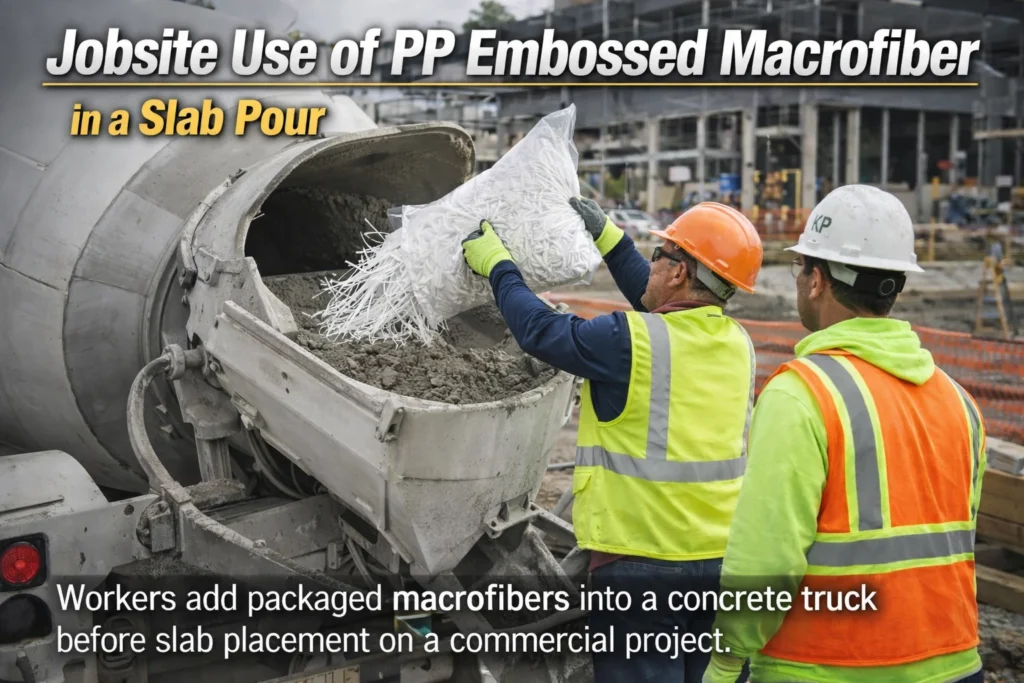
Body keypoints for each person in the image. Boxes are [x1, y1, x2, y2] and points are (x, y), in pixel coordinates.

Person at [461, 198, 763, 682]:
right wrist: (612, 239)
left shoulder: (629, 341)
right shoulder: (737, 343)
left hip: (642, 565)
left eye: (659, 255)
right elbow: (660, 304)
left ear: (679, 272)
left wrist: (499, 267)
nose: (651, 264)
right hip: (720, 563)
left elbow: (539, 331)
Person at [704, 184, 987, 683]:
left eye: (800, 268)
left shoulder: (803, 394)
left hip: (831, 665)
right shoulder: (960, 403)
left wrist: (726, 659)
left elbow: (766, 556)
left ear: (816, 280)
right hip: (955, 662)